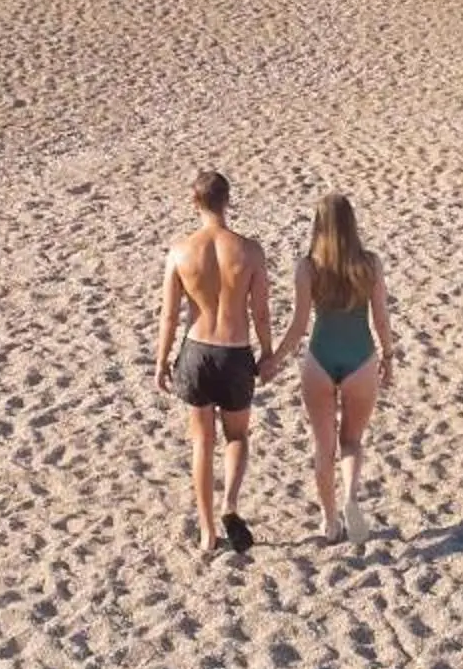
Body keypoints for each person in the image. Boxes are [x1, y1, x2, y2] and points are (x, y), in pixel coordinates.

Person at [154, 169, 274, 556]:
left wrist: (161, 361)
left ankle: (207, 532)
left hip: (197, 352)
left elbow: (169, 316)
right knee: (237, 436)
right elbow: (261, 313)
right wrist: (268, 352)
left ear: (195, 203)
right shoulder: (250, 251)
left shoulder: (179, 251)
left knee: (201, 442)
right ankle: (230, 505)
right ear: (228, 200)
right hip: (235, 351)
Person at [265, 193, 396, 544]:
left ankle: (330, 521)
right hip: (361, 359)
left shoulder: (308, 267)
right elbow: (381, 319)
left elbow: (298, 326)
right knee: (351, 441)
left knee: (323, 448)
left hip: (320, 359)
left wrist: (272, 361)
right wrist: (388, 356)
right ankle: (351, 497)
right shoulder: (371, 264)